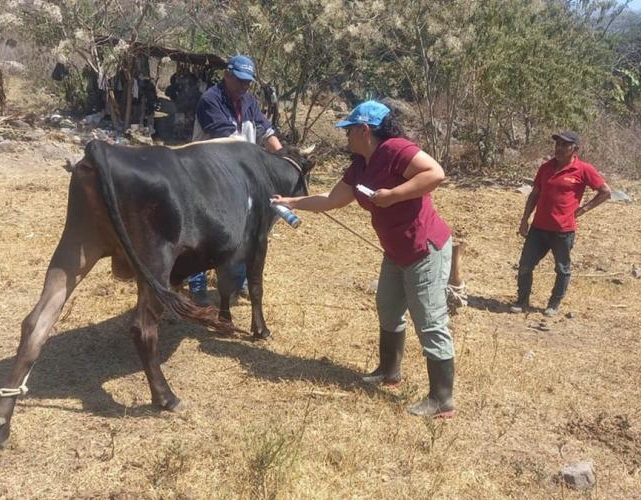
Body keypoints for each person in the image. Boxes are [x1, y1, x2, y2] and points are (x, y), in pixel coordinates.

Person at [272, 101, 456, 418]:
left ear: (364, 130)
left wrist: (393, 195)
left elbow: (435, 173)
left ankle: (441, 399)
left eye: (349, 130)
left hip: (423, 248)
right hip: (396, 251)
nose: (346, 137)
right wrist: (291, 201)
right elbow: (331, 199)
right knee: (388, 306)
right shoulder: (360, 165)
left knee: (428, 319)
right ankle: (389, 371)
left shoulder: (396, 149)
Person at [187, 55, 283, 305]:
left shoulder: (249, 101)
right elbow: (230, 143)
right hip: (206, 175)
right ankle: (196, 287)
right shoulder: (211, 100)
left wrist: (284, 158)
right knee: (200, 233)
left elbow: (266, 131)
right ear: (227, 75)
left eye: (248, 83)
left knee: (242, 230)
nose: (244, 87)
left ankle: (237, 282)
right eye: (239, 81)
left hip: (239, 178)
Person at [510, 131, 611, 317]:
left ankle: (554, 303)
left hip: (563, 231)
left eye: (565, 145)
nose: (560, 148)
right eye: (558, 144)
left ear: (575, 149)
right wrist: (524, 219)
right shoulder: (545, 167)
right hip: (539, 229)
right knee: (525, 264)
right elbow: (534, 194)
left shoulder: (583, 169)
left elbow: (605, 192)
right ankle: (522, 300)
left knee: (562, 269)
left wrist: (583, 210)